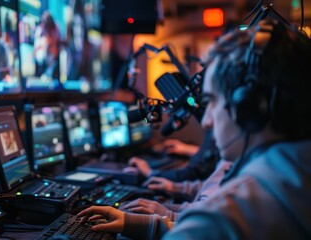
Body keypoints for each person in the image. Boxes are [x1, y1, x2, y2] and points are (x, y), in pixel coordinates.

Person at [78, 19, 311, 239]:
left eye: (212, 102)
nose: (207, 121)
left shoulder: (232, 211)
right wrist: (143, 223)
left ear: (250, 108)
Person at [33, 11, 61, 80]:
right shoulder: (40, 30)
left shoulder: (55, 29)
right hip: (41, 60)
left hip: (52, 60)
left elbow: (57, 46)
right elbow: (36, 47)